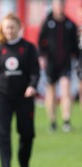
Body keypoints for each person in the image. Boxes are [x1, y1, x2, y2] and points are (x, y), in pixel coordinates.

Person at [0, 13, 40, 167]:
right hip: (2, 95)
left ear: (19, 28)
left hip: (24, 96)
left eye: (12, 27)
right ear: (2, 30)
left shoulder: (28, 48)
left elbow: (35, 71)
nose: (9, 31)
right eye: (6, 28)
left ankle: (24, 166)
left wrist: (32, 86)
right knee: (3, 133)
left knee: (26, 133)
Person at [38, 0, 79, 132]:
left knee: (66, 88)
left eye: (61, 5)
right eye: (57, 5)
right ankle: (52, 121)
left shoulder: (70, 24)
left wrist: (77, 59)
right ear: (54, 7)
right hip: (51, 63)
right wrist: (42, 57)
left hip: (65, 63)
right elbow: (40, 42)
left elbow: (75, 46)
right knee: (51, 92)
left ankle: (66, 120)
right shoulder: (47, 22)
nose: (59, 8)